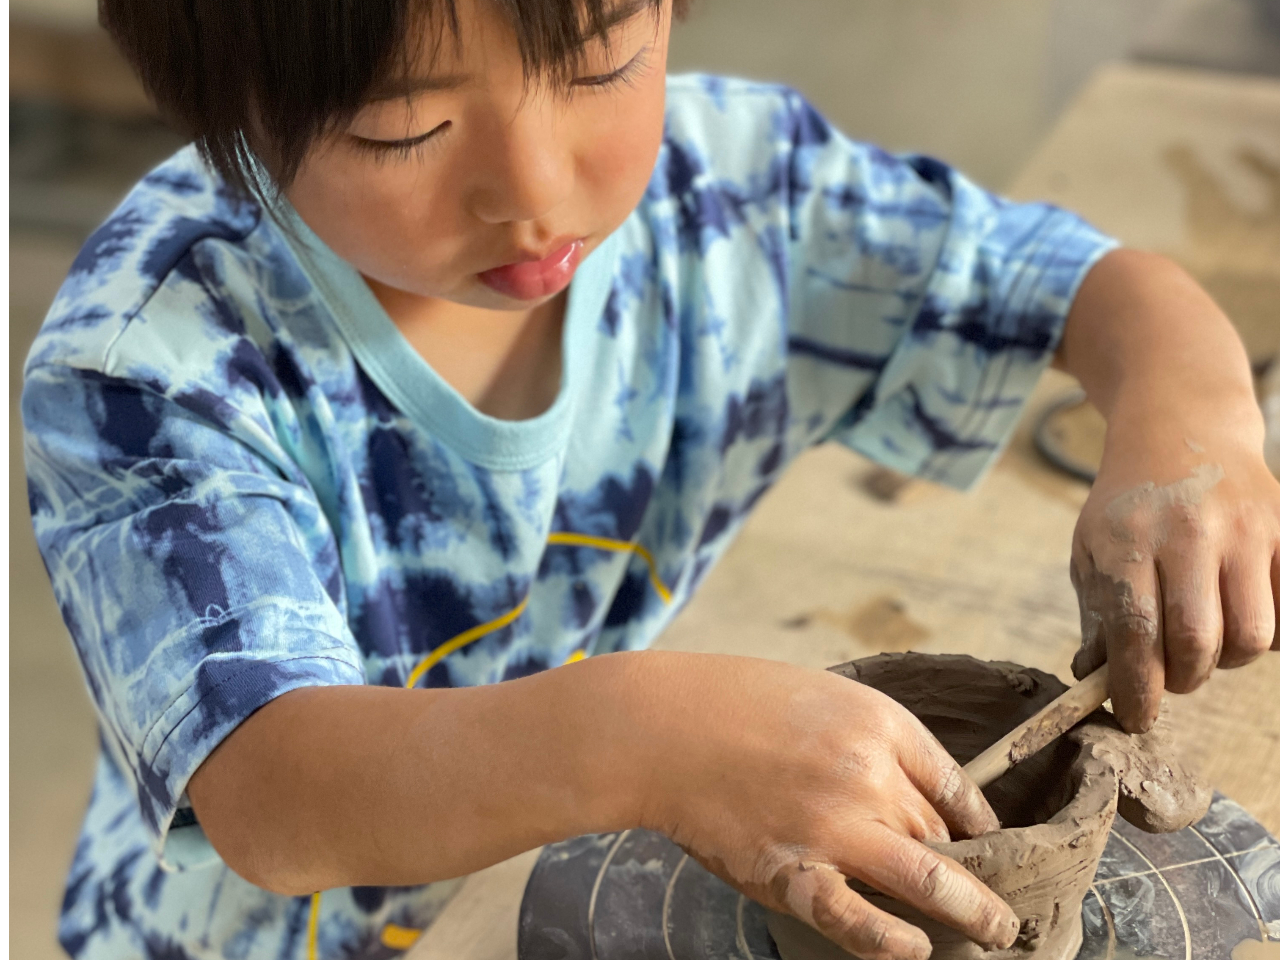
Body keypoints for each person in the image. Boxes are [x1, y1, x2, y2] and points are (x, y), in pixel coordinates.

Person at [23, 1, 1279, 958]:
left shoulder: (732, 191)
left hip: (574, 863)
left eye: (599, 65)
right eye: (404, 127)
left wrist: (1195, 421)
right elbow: (271, 794)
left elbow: (1078, 287)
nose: (534, 192)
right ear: (228, 108)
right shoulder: (149, 360)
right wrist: (642, 735)